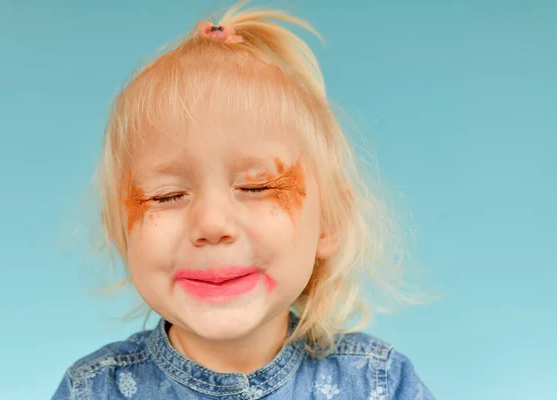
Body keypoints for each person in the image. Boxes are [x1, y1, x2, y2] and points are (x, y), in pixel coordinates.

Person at [52, 0, 435, 398]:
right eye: (167, 196)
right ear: (121, 231)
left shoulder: (378, 383)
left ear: (330, 221)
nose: (212, 224)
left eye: (256, 188)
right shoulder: (94, 390)